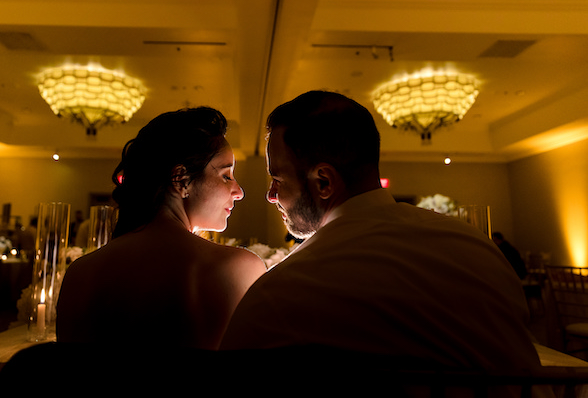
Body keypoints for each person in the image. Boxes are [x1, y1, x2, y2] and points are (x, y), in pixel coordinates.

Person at [220, 91, 541, 372]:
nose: (270, 195)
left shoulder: (286, 290)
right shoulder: (478, 247)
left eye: (278, 179)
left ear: (324, 182)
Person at [57, 107, 266, 349]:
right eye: (226, 175)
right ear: (181, 179)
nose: (239, 192)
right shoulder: (238, 269)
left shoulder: (79, 273)